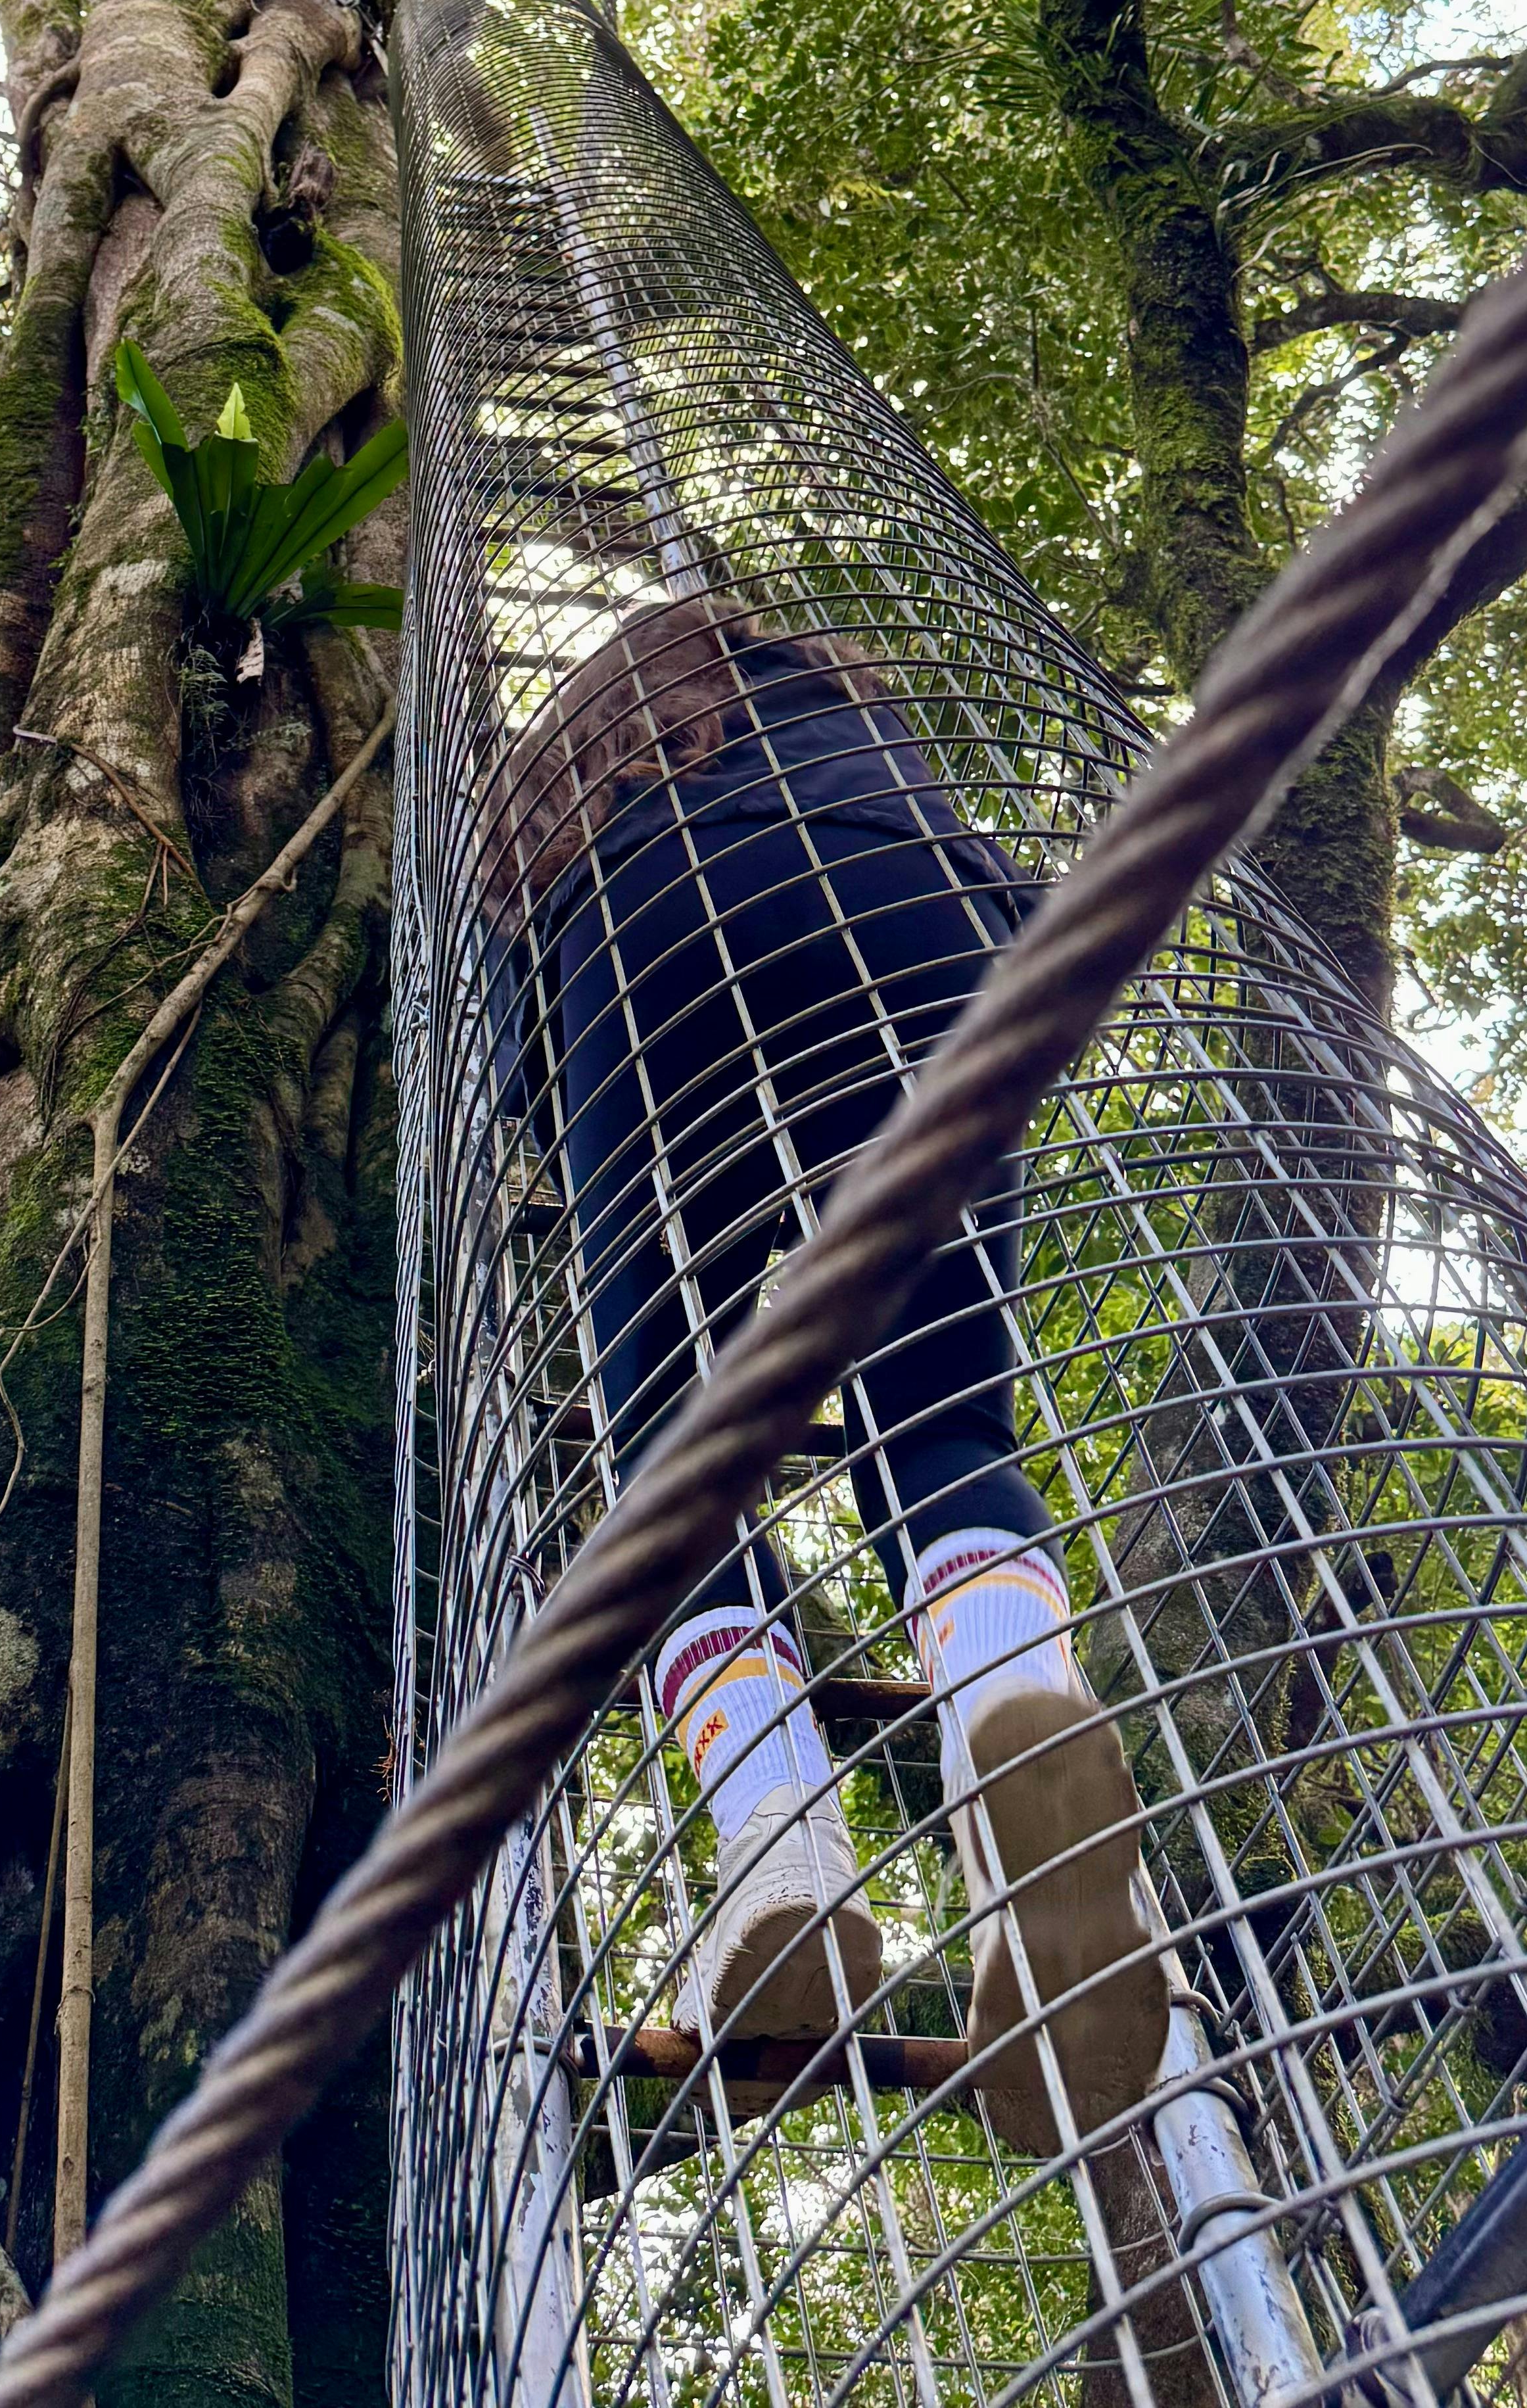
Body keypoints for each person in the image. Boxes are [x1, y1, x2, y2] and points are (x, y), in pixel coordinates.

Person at [486, 593, 1164, 2148]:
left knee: (673, 1456)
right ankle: (1018, 1729)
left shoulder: (561, 811)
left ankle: (779, 1853)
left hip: (637, 952)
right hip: (914, 906)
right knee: (938, 1411)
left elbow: (522, 1064)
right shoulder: (837, 713)